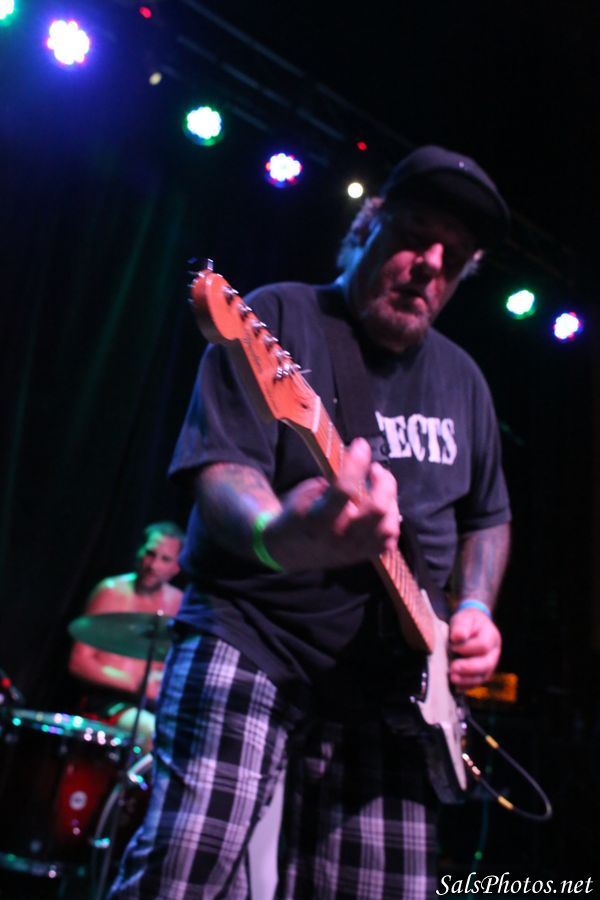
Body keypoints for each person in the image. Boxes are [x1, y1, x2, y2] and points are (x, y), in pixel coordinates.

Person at [109, 145, 512, 899]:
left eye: (452, 258)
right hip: (254, 635)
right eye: (415, 235)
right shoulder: (278, 318)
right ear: (367, 226)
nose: (429, 265)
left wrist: (476, 608)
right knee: (183, 869)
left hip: (395, 687)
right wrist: (279, 534)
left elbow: (488, 516)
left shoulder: (465, 381)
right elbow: (223, 472)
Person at [69, 521, 185, 748]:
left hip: (154, 706)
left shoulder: (179, 603)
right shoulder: (111, 591)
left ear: (176, 567)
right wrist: (135, 684)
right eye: (150, 554)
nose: (153, 565)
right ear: (139, 551)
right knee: (153, 732)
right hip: (107, 701)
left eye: (165, 559)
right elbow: (79, 662)